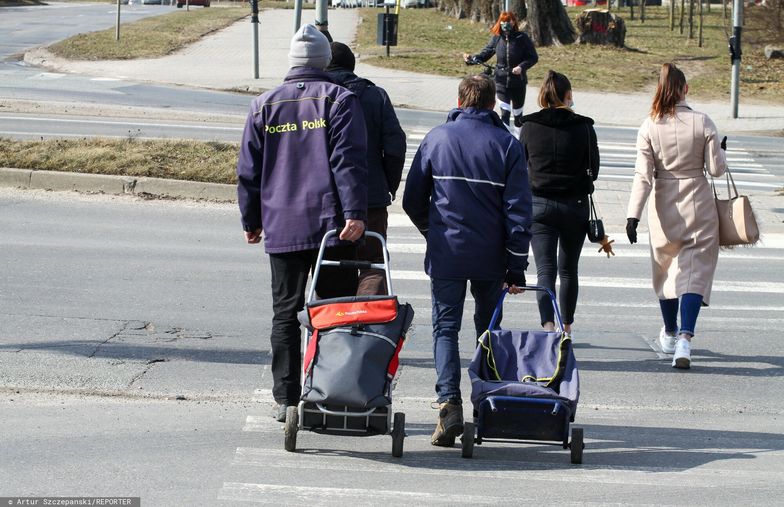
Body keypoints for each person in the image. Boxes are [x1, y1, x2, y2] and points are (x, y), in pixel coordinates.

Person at [236, 24, 368, 422]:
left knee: (285, 312)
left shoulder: (263, 105)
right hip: (332, 227)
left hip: (283, 223)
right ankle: (329, 390)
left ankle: (286, 398)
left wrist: (251, 218)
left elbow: (248, 170)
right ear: (324, 61)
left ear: (292, 62)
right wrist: (355, 213)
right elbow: (348, 163)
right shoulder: (340, 101)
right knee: (333, 313)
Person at [403, 74, 533, 447]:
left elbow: (413, 199)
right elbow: (518, 210)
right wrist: (516, 263)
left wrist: (434, 231)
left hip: (447, 253)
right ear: (493, 104)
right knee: (488, 329)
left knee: (445, 328)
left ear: (460, 101)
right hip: (492, 256)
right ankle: (487, 404)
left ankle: (449, 405)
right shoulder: (507, 145)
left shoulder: (436, 139)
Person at [626, 63, 727, 370]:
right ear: (686, 89)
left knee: (666, 270)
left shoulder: (649, 125)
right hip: (698, 200)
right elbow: (717, 170)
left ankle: (669, 332)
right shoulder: (702, 121)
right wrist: (721, 150)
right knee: (695, 272)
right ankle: (685, 337)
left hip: (663, 204)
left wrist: (633, 216)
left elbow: (642, 176)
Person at [518, 70, 600, 336]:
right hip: (574, 206)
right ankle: (567, 327)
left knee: (545, 270)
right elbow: (594, 169)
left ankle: (548, 326)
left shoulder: (529, 126)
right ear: (568, 95)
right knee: (568, 271)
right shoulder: (584, 127)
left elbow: (521, 166)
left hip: (539, 205)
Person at [326, 42, 407, 295]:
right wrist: (388, 185)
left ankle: (333, 326)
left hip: (327, 200)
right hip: (370, 198)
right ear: (352, 67)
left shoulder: (317, 96)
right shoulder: (375, 95)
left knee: (330, 267)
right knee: (372, 265)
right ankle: (366, 325)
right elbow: (395, 147)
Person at [463, 11, 538, 128]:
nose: (505, 23)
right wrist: (471, 58)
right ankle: (506, 141)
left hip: (518, 82)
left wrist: (521, 67)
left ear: (513, 22)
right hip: (501, 81)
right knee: (505, 114)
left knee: (518, 116)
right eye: (503, 21)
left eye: (508, 21)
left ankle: (519, 141)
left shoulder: (522, 38)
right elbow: (485, 54)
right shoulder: (497, 38)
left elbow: (533, 57)